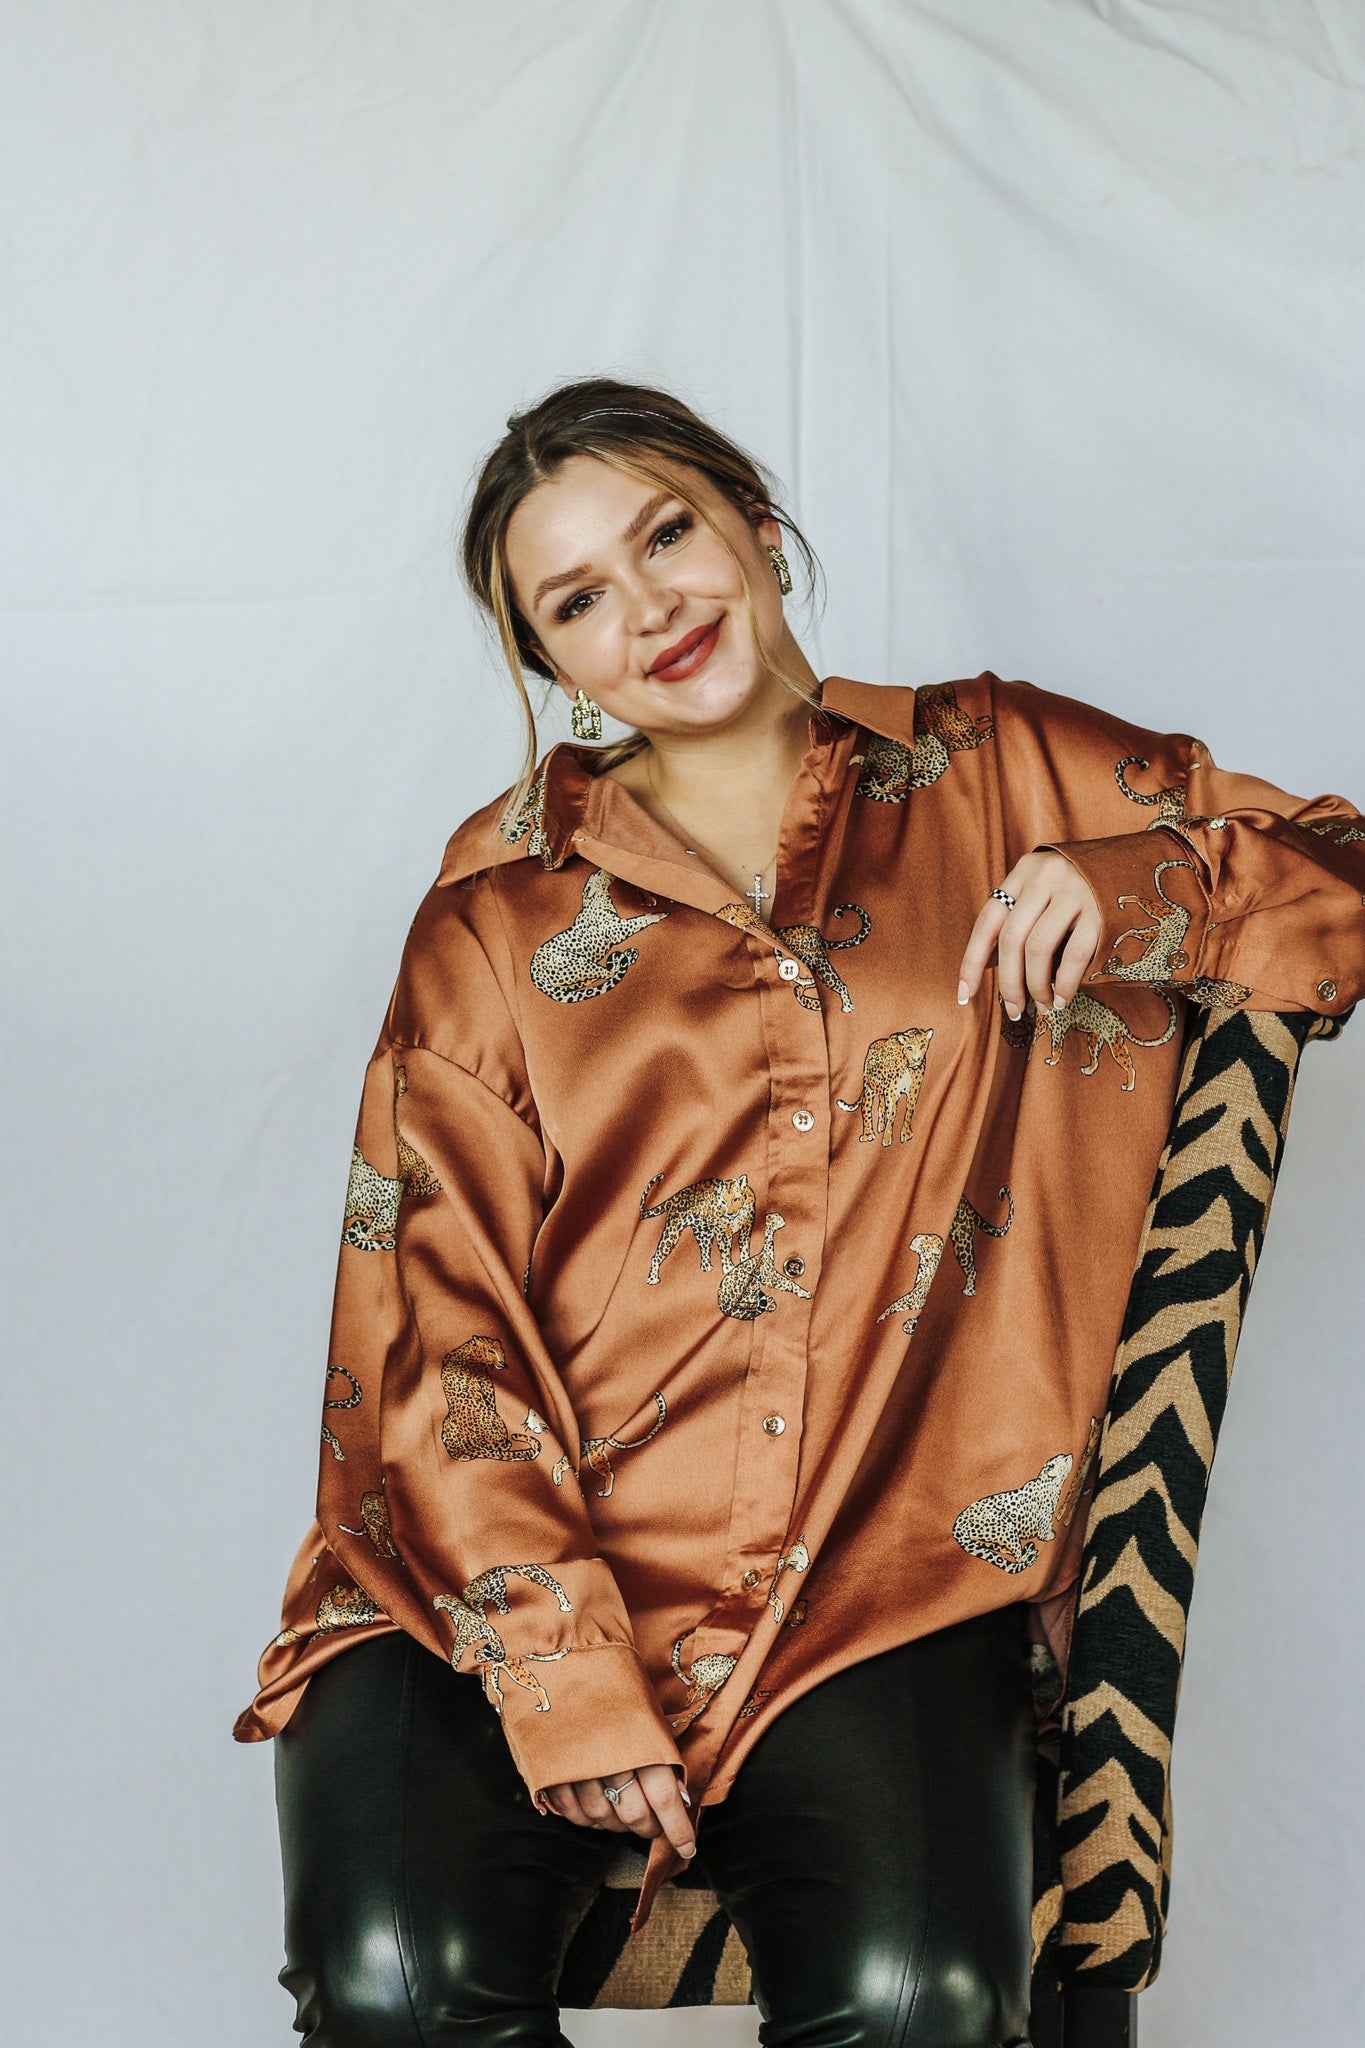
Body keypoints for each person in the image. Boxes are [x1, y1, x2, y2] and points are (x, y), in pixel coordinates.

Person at [234, 378, 1365, 2047]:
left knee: (921, 2007)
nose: (648, 610)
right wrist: (560, 1673)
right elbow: (435, 1323)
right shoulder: (491, 911)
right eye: (578, 602)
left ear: (757, 531)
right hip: (480, 1581)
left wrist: (1138, 885)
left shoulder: (1005, 768)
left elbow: (1340, 875)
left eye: (666, 536)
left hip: (876, 1576)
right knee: (395, 1977)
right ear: (556, 668)